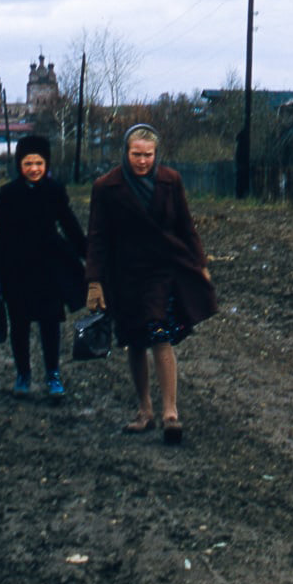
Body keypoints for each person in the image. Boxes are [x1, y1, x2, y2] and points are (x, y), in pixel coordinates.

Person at [85, 124, 216, 444]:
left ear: (156, 154)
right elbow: (98, 237)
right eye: (136, 155)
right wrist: (94, 282)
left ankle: (170, 413)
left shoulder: (170, 181)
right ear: (125, 153)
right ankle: (144, 411)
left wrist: (200, 264)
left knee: (160, 333)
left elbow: (186, 225)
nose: (142, 161)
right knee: (134, 339)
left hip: (162, 270)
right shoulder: (107, 187)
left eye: (148, 155)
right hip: (125, 274)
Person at [0, 135, 87, 398]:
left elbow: (69, 225)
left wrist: (89, 254)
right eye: (28, 163)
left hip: (48, 269)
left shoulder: (54, 190)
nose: (34, 168)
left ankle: (53, 374)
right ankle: (23, 375)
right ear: (19, 164)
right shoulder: (8, 194)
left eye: (39, 163)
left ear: (46, 163)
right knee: (19, 324)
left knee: (50, 323)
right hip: (15, 269)